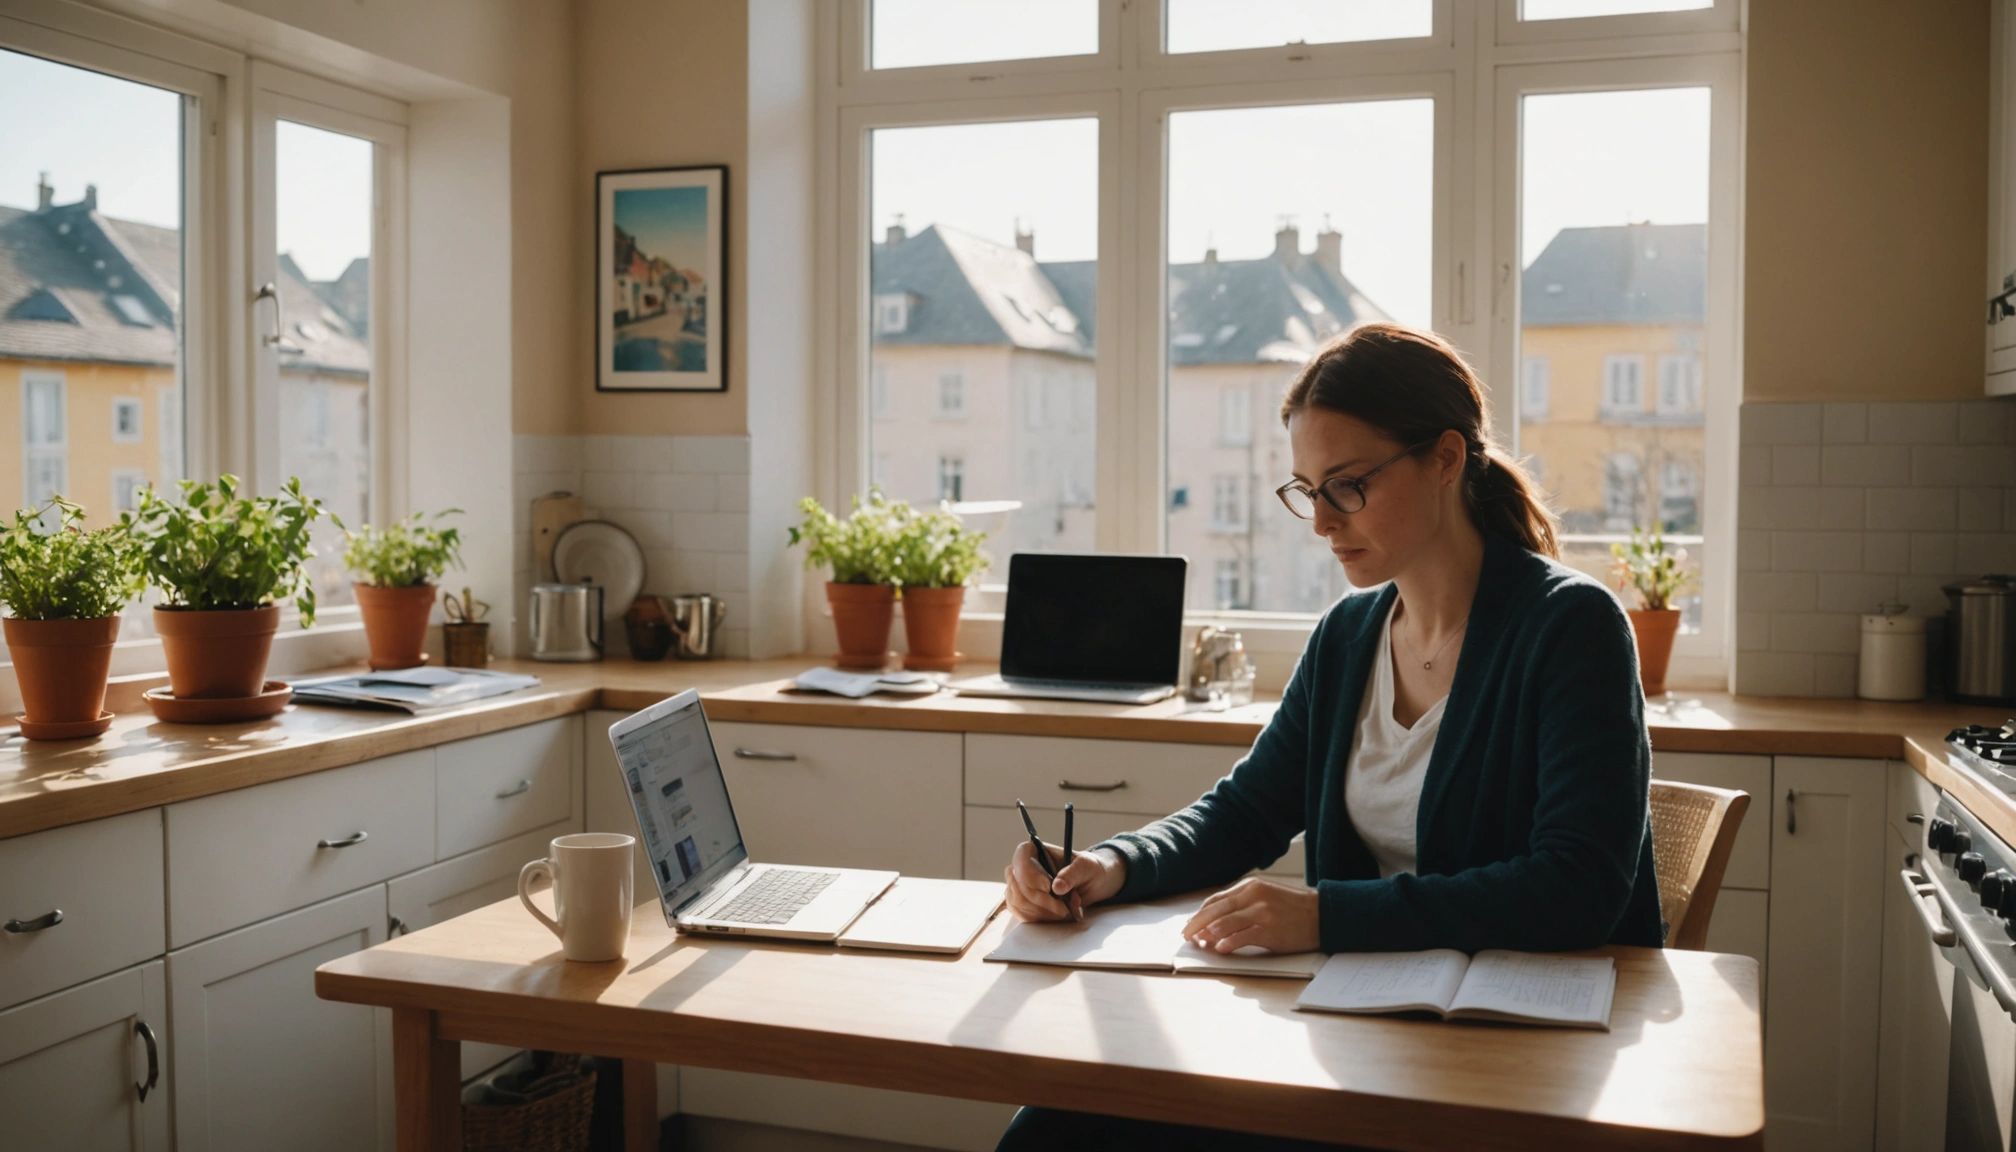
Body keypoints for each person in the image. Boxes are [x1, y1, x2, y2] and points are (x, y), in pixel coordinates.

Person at [995, 322, 1663, 1151]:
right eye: (1306, 490)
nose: (1320, 522)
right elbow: (1243, 814)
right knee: (1056, 1118)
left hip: (1518, 1062)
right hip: (1364, 1033)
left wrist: (1324, 916)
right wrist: (1111, 864)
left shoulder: (1570, 627)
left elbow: (1577, 886)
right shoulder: (1348, 636)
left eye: (1346, 487)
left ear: (1447, 458)